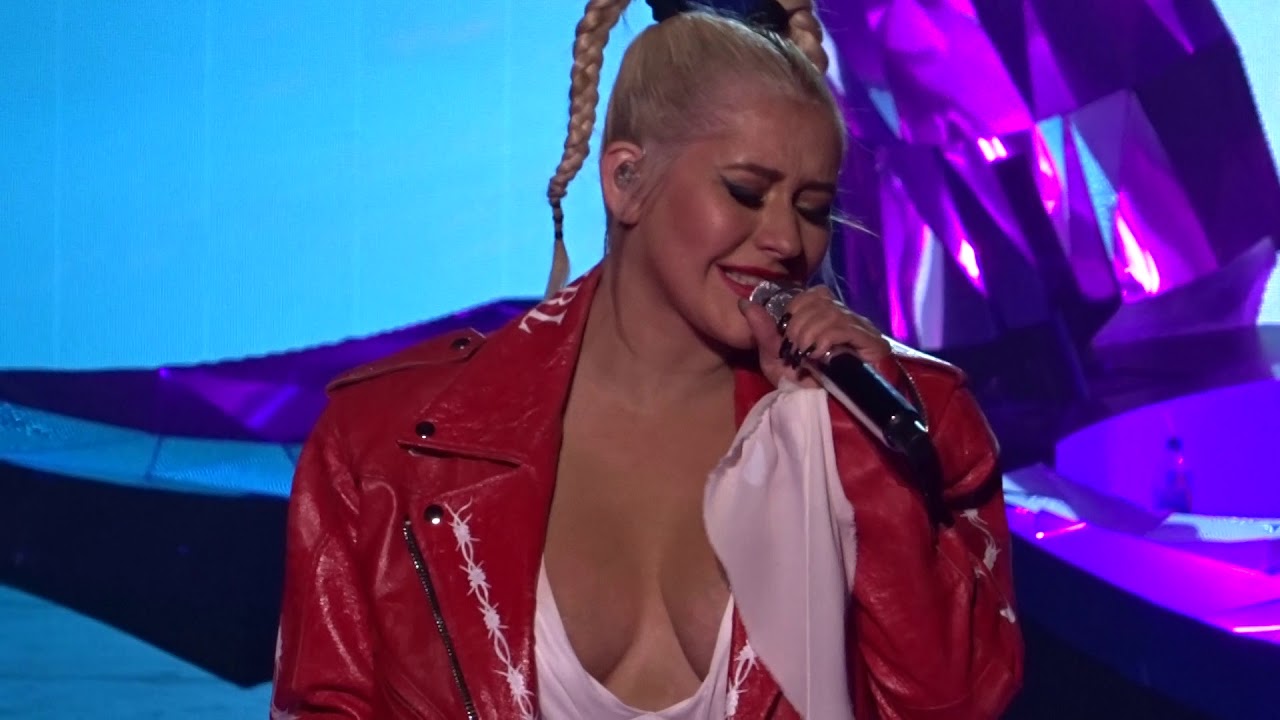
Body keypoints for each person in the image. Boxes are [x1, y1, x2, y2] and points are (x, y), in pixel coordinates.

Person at [270, 1, 1023, 718]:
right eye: (746, 192)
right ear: (625, 179)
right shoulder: (382, 446)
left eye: (812, 208)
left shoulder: (914, 422)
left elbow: (949, 705)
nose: (787, 241)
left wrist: (861, 449)